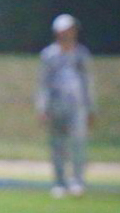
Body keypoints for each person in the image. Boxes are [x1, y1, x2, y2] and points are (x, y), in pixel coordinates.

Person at [36, 14, 96, 198]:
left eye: (71, 30)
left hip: (77, 106)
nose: (68, 34)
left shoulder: (81, 54)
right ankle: (59, 182)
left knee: (78, 144)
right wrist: (42, 107)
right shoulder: (49, 55)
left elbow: (87, 82)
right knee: (58, 145)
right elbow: (43, 83)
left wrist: (91, 108)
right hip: (56, 105)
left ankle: (77, 181)